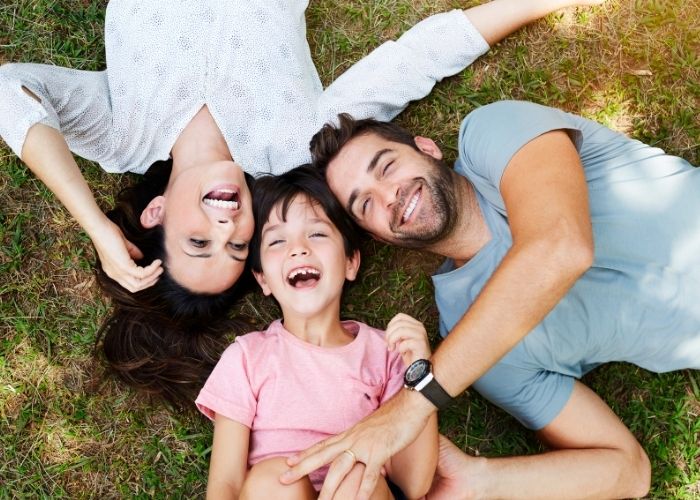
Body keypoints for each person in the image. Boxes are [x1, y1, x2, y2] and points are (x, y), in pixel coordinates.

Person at [0, 0, 593, 403]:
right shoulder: (292, 144)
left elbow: (10, 92)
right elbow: (411, 62)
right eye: (237, 245)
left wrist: (99, 227)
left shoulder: (118, 132)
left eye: (198, 239)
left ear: (155, 213)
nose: (229, 220)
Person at [281, 100, 700, 499]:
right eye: (366, 203)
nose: (389, 195)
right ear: (377, 237)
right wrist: (478, 481)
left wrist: (408, 410)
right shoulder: (476, 352)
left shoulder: (491, 135)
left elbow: (562, 246)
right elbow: (628, 471)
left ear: (426, 147)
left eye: (387, 166)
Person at [195, 165, 437, 499]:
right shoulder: (247, 357)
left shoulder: (388, 352)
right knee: (275, 479)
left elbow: (414, 481)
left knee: (353, 475)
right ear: (263, 278)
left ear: (351, 261)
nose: (298, 248)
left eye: (317, 234)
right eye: (278, 240)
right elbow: (226, 485)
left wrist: (420, 375)